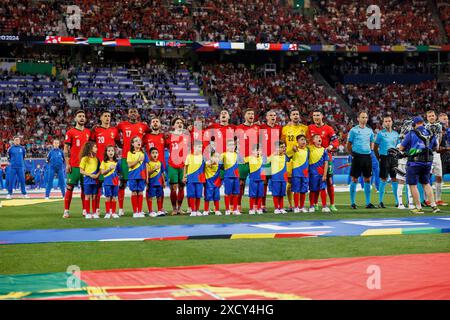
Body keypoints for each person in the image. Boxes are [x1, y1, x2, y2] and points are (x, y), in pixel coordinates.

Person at [398, 116, 440, 214]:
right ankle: (434, 206)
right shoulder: (431, 133)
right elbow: (435, 147)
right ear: (423, 123)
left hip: (414, 163)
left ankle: (418, 207)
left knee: (413, 185)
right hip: (428, 162)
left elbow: (401, 148)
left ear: (414, 124)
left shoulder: (411, 133)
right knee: (426, 183)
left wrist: (410, 150)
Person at [116, 108, 150, 216]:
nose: (133, 113)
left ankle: (138, 209)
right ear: (128, 114)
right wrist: (120, 145)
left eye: (135, 112)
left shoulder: (143, 126)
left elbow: (149, 135)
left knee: (139, 185)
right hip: (126, 158)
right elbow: (115, 134)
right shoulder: (122, 125)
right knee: (123, 183)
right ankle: (121, 208)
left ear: (138, 114)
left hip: (139, 157)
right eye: (131, 112)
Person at [308, 109, 339, 211]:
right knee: (315, 182)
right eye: (314, 115)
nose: (316, 117)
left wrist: (330, 146)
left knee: (329, 182)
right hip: (314, 161)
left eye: (318, 115)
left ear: (322, 116)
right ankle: (315, 204)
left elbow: (335, 141)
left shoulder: (329, 129)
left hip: (326, 160)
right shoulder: (310, 128)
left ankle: (332, 204)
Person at [90, 110, 119, 215]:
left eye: (109, 116)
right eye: (105, 116)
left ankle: (113, 210)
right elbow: (91, 143)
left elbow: (119, 143)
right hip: (98, 161)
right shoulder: (96, 130)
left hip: (111, 163)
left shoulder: (114, 130)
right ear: (101, 118)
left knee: (112, 186)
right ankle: (96, 209)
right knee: (97, 186)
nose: (107, 118)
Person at [63, 110, 91, 218]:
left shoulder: (89, 132)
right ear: (75, 119)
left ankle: (85, 210)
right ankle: (66, 210)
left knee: (85, 188)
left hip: (86, 166)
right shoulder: (70, 132)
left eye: (83, 116)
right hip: (74, 165)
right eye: (79, 116)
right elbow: (66, 149)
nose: (82, 118)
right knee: (70, 187)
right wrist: (67, 163)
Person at [347, 111, 376, 209]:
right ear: (358, 119)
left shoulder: (369, 130)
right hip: (357, 156)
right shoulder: (353, 130)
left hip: (367, 157)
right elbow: (348, 144)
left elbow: (372, 141)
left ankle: (368, 203)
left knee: (368, 179)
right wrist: (352, 154)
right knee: (354, 179)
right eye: (362, 117)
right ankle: (352, 203)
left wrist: (371, 150)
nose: (364, 119)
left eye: (366, 117)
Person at [282, 108, 308, 212]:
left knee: (301, 182)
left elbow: (308, 142)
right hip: (289, 158)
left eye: (297, 114)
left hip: (301, 158)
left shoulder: (305, 128)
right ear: (290, 116)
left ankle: (300, 206)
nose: (296, 116)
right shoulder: (285, 129)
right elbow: (282, 142)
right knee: (289, 182)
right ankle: (291, 205)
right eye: (293, 114)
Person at [235, 108, 260, 211]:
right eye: (249, 113)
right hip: (242, 158)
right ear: (244, 116)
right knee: (241, 183)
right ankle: (238, 205)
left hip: (254, 159)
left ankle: (254, 206)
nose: (251, 115)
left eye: (252, 113)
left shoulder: (257, 128)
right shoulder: (239, 128)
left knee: (254, 182)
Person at [374, 115, 400, 208]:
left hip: (394, 158)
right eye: (386, 121)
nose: (388, 123)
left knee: (394, 179)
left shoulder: (396, 134)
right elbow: (375, 147)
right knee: (383, 179)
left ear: (392, 122)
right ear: (383, 123)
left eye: (389, 121)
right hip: (384, 157)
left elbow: (398, 146)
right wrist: (379, 157)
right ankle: (380, 201)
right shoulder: (380, 134)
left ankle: (398, 202)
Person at [166, 117, 190, 215]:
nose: (179, 124)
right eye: (177, 122)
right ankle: (174, 208)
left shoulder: (187, 136)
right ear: (173, 125)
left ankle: (179, 208)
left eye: (181, 123)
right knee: (173, 187)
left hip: (183, 165)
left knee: (181, 187)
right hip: (172, 165)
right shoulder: (169, 136)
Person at [259, 110, 282, 212]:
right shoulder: (261, 127)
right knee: (264, 182)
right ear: (266, 117)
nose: (273, 117)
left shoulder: (279, 128)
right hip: (265, 160)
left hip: (276, 160)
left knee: (276, 182)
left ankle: (277, 206)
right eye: (271, 115)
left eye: (274, 115)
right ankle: (262, 205)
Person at [425, 110, 447, 206]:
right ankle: (427, 200)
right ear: (427, 118)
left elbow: (440, 137)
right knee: (427, 176)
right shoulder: (425, 127)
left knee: (439, 176)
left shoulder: (439, 126)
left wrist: (438, 147)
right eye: (429, 116)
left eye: (433, 116)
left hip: (436, 154)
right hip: (428, 154)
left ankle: (438, 199)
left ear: (435, 116)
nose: (431, 117)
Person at [127, 136, 149, 218]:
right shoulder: (130, 153)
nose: (138, 142)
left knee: (140, 192)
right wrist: (138, 160)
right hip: (132, 175)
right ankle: (135, 211)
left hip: (142, 176)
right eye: (136, 141)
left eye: (139, 140)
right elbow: (129, 165)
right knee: (134, 192)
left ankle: (140, 211)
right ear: (132, 144)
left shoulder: (144, 153)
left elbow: (146, 166)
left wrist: (147, 177)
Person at [287, 135, 309, 213]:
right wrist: (292, 150)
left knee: (303, 190)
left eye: (305, 140)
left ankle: (301, 207)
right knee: (296, 190)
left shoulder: (307, 150)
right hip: (296, 173)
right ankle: (296, 207)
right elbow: (287, 157)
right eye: (302, 139)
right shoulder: (294, 149)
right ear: (297, 141)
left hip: (305, 173)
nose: (304, 141)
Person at [266, 141, 290, 214]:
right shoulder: (273, 156)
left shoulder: (285, 156)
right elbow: (266, 161)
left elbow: (290, 159)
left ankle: (281, 208)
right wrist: (273, 154)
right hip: (275, 178)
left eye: (284, 147)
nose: (284, 149)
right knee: (276, 194)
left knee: (282, 194)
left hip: (283, 178)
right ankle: (276, 208)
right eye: (281, 147)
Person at [308, 135, 330, 213]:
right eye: (316, 137)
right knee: (313, 190)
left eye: (319, 137)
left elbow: (326, 162)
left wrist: (325, 174)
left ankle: (324, 206)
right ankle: (311, 206)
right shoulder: (309, 148)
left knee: (323, 189)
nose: (319, 138)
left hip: (321, 174)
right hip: (312, 173)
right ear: (313, 141)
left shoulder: (324, 150)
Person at [183, 143, 206, 217]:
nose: (200, 148)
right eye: (199, 146)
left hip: (200, 179)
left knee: (198, 195)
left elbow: (205, 168)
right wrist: (184, 176)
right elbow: (185, 166)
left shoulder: (203, 157)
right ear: (194, 147)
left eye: (201, 147)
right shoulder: (189, 156)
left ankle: (197, 210)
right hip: (191, 179)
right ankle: (193, 210)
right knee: (192, 195)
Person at [79, 141, 100, 219]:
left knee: (94, 196)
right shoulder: (84, 159)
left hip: (95, 180)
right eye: (95, 147)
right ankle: (87, 213)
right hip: (87, 180)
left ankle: (94, 213)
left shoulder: (96, 159)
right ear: (90, 148)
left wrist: (97, 175)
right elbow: (81, 171)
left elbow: (100, 169)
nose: (96, 149)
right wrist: (90, 175)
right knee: (87, 196)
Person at [220, 139, 240, 216]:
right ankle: (227, 210)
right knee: (227, 193)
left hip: (236, 176)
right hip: (228, 176)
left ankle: (235, 209)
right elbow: (219, 165)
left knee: (236, 193)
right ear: (227, 147)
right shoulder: (223, 154)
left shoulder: (237, 155)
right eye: (230, 145)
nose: (232, 147)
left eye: (233, 145)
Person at [100, 145, 120, 219]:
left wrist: (119, 180)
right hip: (107, 182)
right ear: (106, 152)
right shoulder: (104, 162)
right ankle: (108, 212)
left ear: (114, 152)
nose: (110, 152)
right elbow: (102, 172)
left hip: (115, 182)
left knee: (114, 197)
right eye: (109, 151)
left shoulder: (117, 162)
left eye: (112, 150)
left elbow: (119, 173)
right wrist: (109, 169)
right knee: (108, 197)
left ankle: (114, 212)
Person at [245, 144, 265, 215]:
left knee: (260, 195)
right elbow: (241, 160)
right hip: (253, 179)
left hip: (261, 179)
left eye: (260, 150)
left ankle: (259, 208)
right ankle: (251, 209)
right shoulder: (249, 158)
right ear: (252, 151)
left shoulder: (263, 158)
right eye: (256, 150)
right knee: (252, 195)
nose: (258, 152)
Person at [146, 147, 166, 218]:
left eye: (156, 153)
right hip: (151, 183)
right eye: (153, 153)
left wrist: (164, 182)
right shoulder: (148, 163)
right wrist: (153, 170)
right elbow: (147, 173)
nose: (155, 154)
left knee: (159, 196)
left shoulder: (160, 163)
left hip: (159, 183)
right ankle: (150, 210)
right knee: (150, 196)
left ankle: (159, 210)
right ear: (150, 154)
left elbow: (162, 173)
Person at [204, 152, 222, 216]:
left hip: (216, 184)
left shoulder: (219, 165)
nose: (216, 159)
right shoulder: (206, 164)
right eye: (215, 157)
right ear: (211, 157)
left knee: (216, 197)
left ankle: (217, 210)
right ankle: (206, 210)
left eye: (218, 157)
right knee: (207, 197)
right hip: (209, 183)